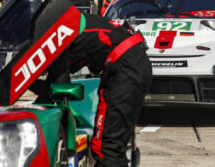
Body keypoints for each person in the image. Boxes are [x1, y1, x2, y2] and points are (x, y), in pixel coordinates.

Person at [29, 12, 152, 167]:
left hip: (126, 66)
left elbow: (60, 88)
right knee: (111, 147)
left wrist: (29, 85)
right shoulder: (63, 25)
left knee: (107, 150)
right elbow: (55, 84)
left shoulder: (55, 36)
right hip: (131, 63)